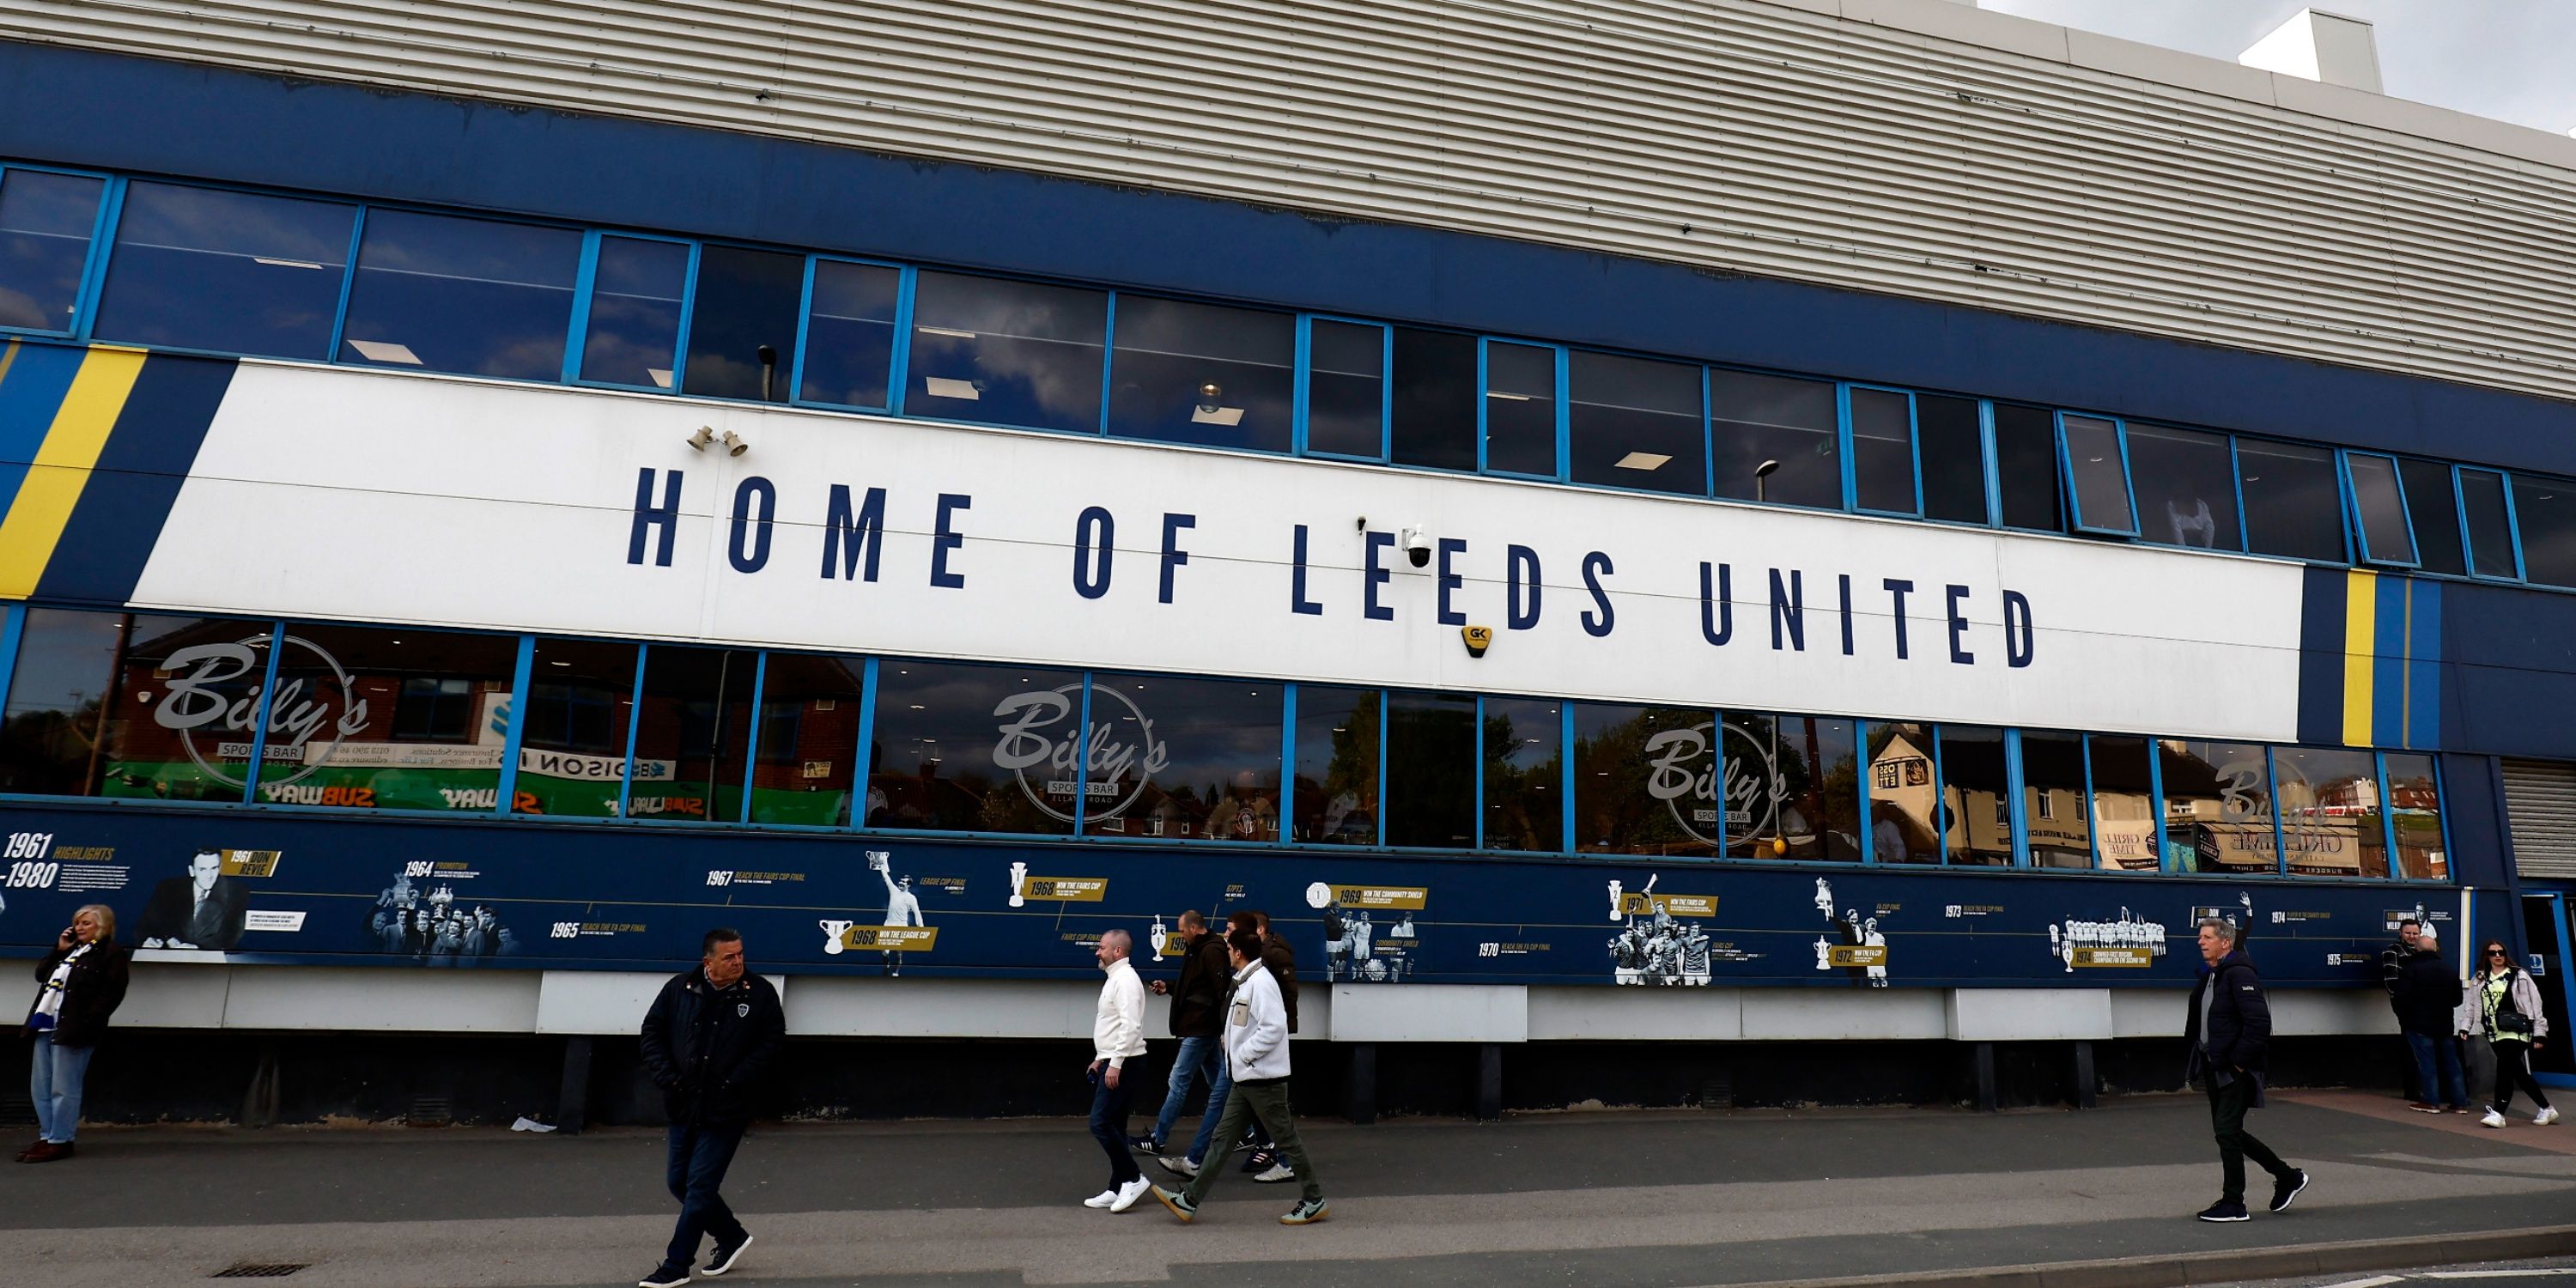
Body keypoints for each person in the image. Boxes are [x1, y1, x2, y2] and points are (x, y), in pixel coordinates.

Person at [636, 928, 785, 1288]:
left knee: (700, 1185)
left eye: (741, 954)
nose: (738, 962)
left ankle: (676, 1265)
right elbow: (651, 1031)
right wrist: (667, 1077)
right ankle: (731, 1235)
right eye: (729, 957)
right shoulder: (679, 988)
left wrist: (734, 1081)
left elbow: (771, 1045)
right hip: (682, 1101)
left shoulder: (759, 993)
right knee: (679, 1183)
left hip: (727, 1106)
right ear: (709, 962)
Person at [1151, 925, 1328, 1226]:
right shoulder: (1246, 982)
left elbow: (1274, 1028)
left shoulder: (1261, 983)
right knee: (1222, 1140)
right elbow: (1246, 1023)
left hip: (1263, 1081)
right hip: (1245, 1078)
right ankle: (1189, 1200)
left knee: (1287, 1141)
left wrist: (1242, 1053)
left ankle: (1314, 1200)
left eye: (1230, 949)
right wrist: (1230, 1045)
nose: (1227, 954)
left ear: (1238, 952)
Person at [2184, 915, 2306, 1223]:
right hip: (2214, 1064)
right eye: (2201, 937)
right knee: (2230, 1132)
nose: (2201, 942)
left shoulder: (2238, 973)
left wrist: (2238, 1062)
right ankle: (2288, 1177)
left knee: (2226, 1131)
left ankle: (2234, 1203)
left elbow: (2258, 1022)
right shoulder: (2212, 975)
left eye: (2207, 937)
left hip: (2233, 1068)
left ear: (2226, 942)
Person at [19, 905, 130, 1163]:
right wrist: (59, 950)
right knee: (41, 1086)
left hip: (75, 1028)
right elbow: (41, 975)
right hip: (47, 1024)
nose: (79, 927)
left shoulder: (111, 953)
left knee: (64, 1088)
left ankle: (61, 1140)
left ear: (102, 926)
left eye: (87, 923)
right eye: (78, 923)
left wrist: (88, 1021)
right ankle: (48, 1136)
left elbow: (112, 992)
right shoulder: (72, 951)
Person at [1137, 911, 1226, 1155]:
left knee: (1178, 1081)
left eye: (1182, 930)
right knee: (1219, 1082)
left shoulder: (1210, 951)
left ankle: (1159, 1138)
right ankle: (1249, 1132)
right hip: (1201, 1028)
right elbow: (1193, 985)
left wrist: (1224, 1028)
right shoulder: (1198, 949)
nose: (1180, 934)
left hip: (1201, 1029)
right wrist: (1169, 988)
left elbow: (1221, 992)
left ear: (1195, 927)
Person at [1083, 928, 1151, 1213]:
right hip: (1114, 1061)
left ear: (1118, 951)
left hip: (1124, 1064)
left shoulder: (1125, 981)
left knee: (1099, 1123)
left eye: (1102, 947)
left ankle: (1134, 1178)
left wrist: (1116, 1064)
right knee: (1116, 1126)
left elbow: (1130, 1026)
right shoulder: (1116, 979)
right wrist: (1101, 1058)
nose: (1097, 952)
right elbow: (1113, 1026)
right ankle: (1117, 1187)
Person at [2458, 939, 2560, 1128]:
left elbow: (2535, 1005)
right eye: (2493, 953)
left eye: (2501, 952)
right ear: (2486, 956)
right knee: (2517, 1072)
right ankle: (2546, 1108)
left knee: (2504, 1068)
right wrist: (2465, 1026)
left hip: (2516, 1031)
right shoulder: (2480, 978)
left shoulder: (2519, 976)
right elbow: (2471, 1006)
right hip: (2494, 1033)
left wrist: (2540, 1033)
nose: (2497, 956)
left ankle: (2498, 1113)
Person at [2394, 927, 2468, 1114]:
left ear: (2417, 949)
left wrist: (2406, 1016)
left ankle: (2431, 1101)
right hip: (2444, 1024)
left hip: (2419, 1024)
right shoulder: (2449, 970)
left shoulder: (2411, 969)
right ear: (2435, 949)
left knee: (2427, 1063)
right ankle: (2460, 1102)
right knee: (2452, 1064)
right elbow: (2457, 1000)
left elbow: (2401, 996)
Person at [136, 847, 247, 951]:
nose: (209, 876)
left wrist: (197, 948)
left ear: (220, 868)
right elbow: (145, 925)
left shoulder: (236, 892)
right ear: (192, 871)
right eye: (202, 869)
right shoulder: (167, 888)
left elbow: (232, 935)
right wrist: (148, 939)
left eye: (214, 868)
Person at [2381, 918, 2423, 1100]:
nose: (2412, 937)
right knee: (2409, 1046)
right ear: (2400, 933)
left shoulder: (2423, 952)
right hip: (2406, 1006)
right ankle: (2411, 1090)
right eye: (2408, 933)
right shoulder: (2393, 951)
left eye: (2415, 933)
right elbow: (2392, 983)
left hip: (2424, 1006)